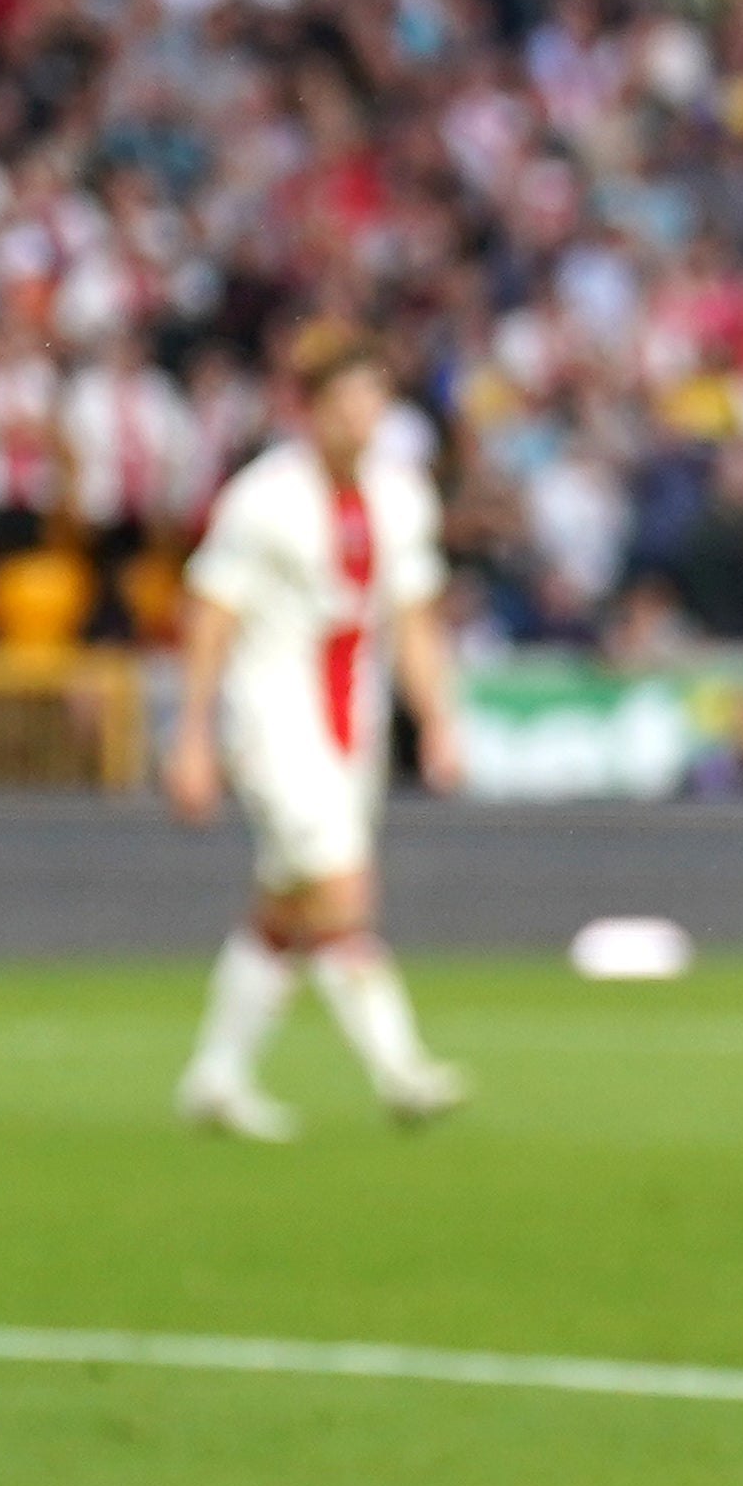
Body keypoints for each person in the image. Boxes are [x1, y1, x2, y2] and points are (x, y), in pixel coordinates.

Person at [162, 322, 470, 1140]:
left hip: (351, 722)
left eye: (374, 400)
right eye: (346, 402)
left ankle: (215, 1077)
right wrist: (191, 734)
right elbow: (212, 614)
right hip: (272, 715)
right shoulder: (262, 499)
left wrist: (437, 720)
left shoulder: (400, 494)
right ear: (311, 410)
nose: (362, 418)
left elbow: (413, 618)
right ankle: (402, 1069)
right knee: (341, 888)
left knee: (287, 908)